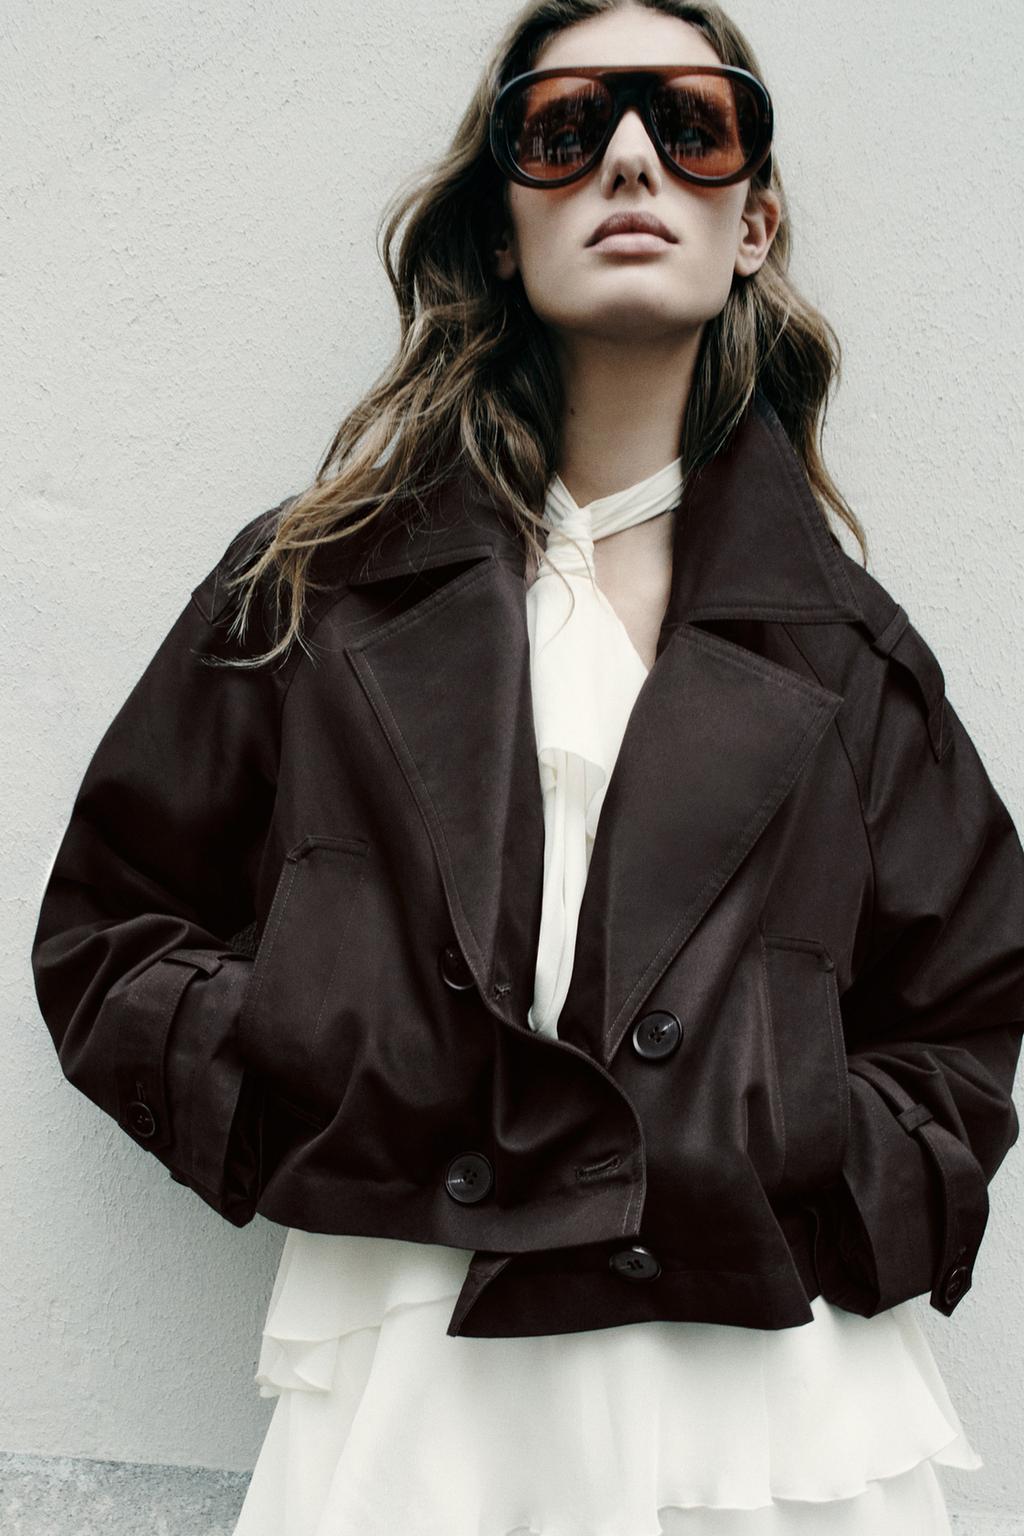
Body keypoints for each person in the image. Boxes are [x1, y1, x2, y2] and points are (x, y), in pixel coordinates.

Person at [30, 1, 1024, 1532]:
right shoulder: (319, 590)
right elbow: (110, 931)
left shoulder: (847, 654)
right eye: (564, 131)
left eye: (689, 127)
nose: (629, 160)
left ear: (753, 226)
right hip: (420, 1362)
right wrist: (337, 1070)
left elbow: (965, 1011)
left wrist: (792, 1153)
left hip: (770, 1400)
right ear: (499, 230)